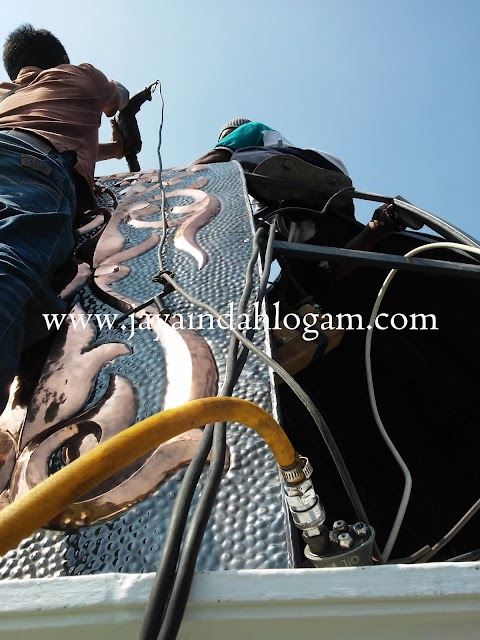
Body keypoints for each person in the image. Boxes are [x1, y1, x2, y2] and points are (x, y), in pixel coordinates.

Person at [0, 24, 129, 414]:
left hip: (19, 150)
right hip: (30, 165)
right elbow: (117, 98)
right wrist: (118, 101)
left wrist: (111, 151)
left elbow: (49, 129)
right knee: (10, 261)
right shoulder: (77, 75)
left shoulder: (7, 94)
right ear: (61, 59)